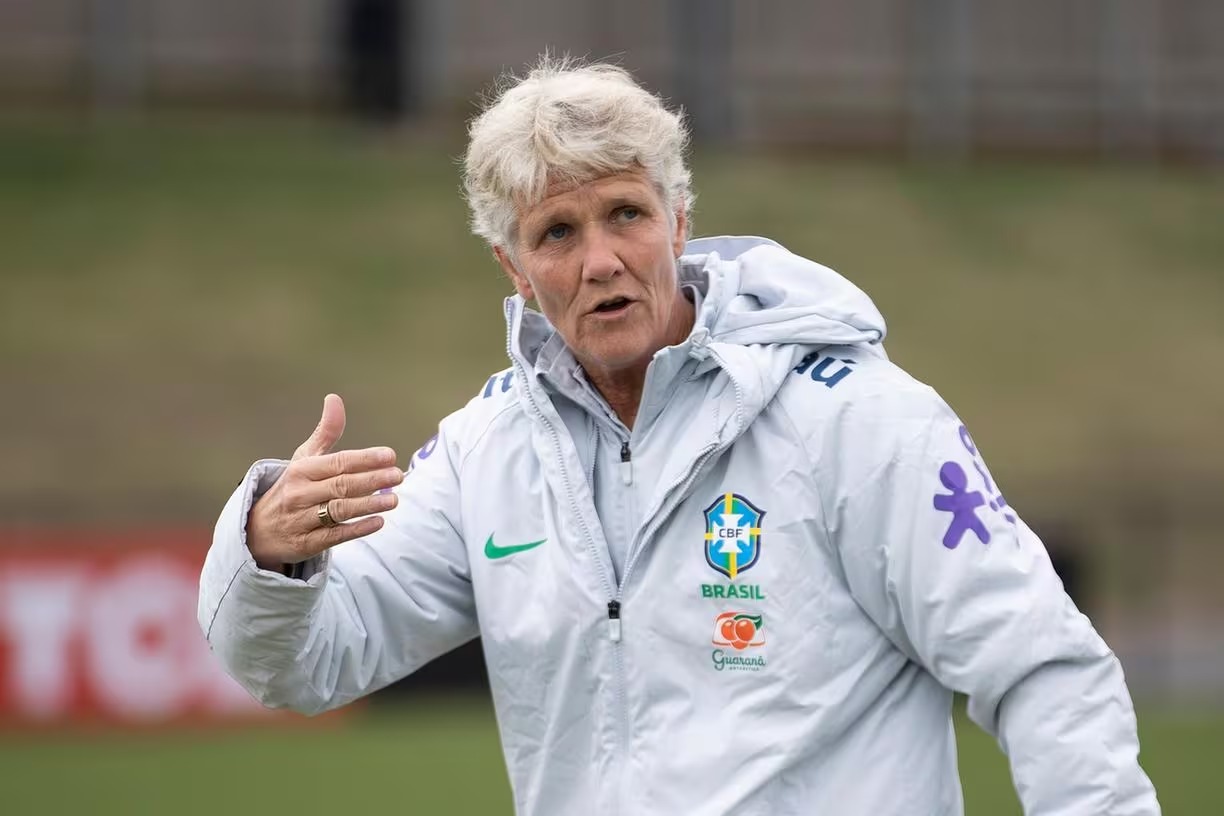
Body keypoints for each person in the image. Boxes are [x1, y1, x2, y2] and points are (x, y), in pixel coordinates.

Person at [198, 57, 1160, 815]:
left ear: (680, 222)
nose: (602, 260)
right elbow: (308, 662)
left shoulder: (857, 418)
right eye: (557, 233)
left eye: (626, 214)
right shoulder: (488, 452)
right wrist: (268, 557)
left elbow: (1040, 665)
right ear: (512, 266)